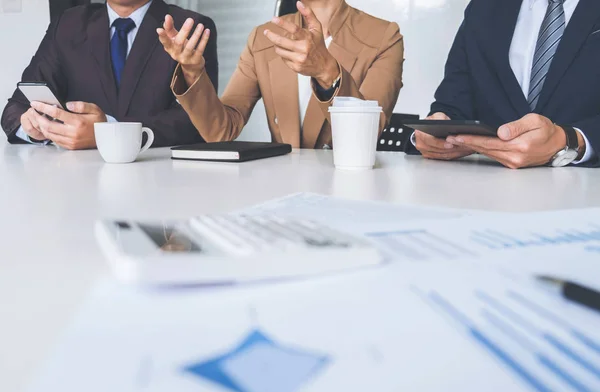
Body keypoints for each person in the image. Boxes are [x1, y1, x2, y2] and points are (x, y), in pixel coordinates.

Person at [157, 0, 404, 149]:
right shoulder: (263, 37)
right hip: (279, 194)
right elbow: (222, 130)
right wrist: (191, 71)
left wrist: (327, 72)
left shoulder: (384, 37)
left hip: (346, 194)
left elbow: (365, 138)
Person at [1, 0, 218, 150]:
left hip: (157, 178)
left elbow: (198, 123)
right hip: (76, 185)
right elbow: (15, 109)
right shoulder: (68, 24)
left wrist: (107, 133)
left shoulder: (189, 27)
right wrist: (33, 128)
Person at [412, 0, 600, 168]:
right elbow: (453, 104)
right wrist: (433, 133)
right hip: (486, 192)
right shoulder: (484, 7)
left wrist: (572, 140)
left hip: (583, 193)